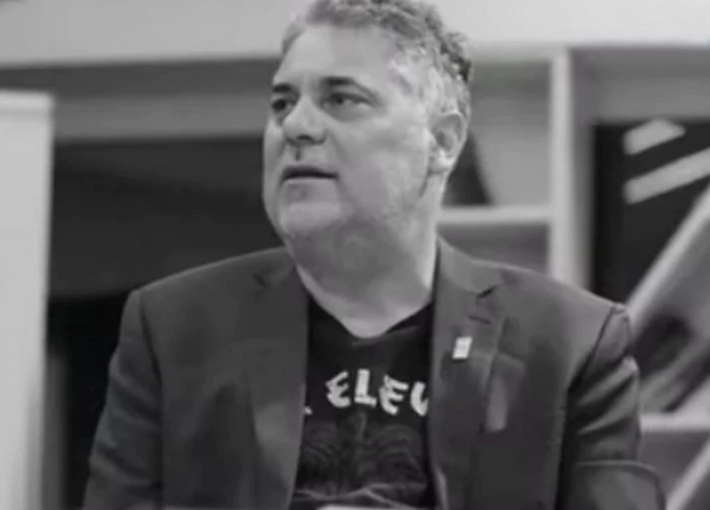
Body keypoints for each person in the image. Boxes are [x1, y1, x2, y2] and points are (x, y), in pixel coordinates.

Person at [83, 0, 664, 509]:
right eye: (282, 103)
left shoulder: (569, 344)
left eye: (341, 98)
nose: (296, 126)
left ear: (442, 141)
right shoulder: (172, 329)